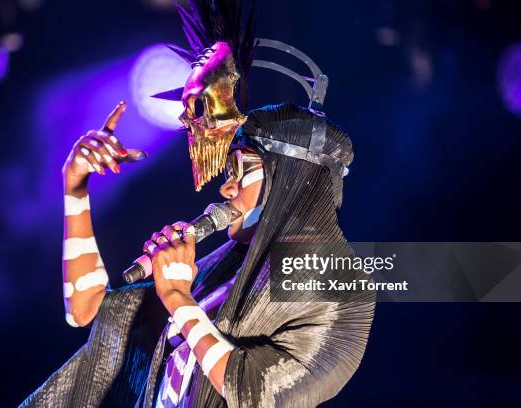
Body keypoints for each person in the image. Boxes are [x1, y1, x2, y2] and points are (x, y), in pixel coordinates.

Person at [21, 1, 374, 407]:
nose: (227, 190)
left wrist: (177, 297)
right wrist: (76, 187)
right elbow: (88, 311)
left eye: (241, 171)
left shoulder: (339, 281)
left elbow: (257, 393)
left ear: (289, 177)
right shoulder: (226, 267)